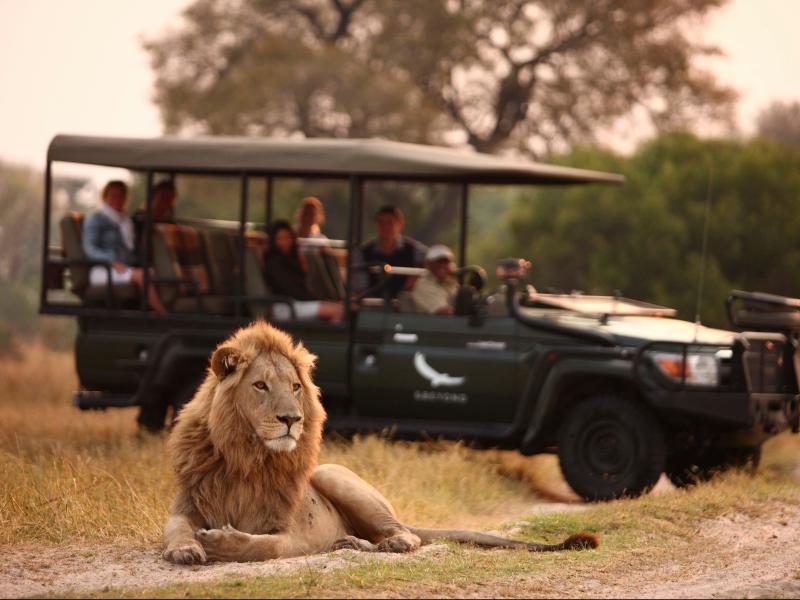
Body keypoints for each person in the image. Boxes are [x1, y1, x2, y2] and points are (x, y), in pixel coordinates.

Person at [82, 180, 167, 314]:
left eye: (121, 196)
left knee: (154, 272)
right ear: (105, 197)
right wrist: (111, 261)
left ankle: (156, 310)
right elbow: (90, 249)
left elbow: (131, 251)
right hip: (103, 269)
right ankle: (164, 315)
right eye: (113, 195)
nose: (118, 199)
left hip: (125, 267)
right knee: (142, 275)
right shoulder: (95, 219)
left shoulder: (125, 221)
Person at [264, 220, 343, 321]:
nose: (284, 242)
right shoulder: (273, 262)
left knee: (340, 307)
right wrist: (316, 301)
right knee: (338, 310)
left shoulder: (292, 258)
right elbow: (290, 289)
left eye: (287, 238)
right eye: (280, 239)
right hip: (285, 305)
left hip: (297, 302)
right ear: (273, 241)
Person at [357, 205, 427, 299]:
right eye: (381, 223)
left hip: (406, 307)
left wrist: (416, 277)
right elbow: (360, 286)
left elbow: (432, 262)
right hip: (371, 307)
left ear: (401, 224)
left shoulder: (415, 250)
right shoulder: (363, 252)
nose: (385, 227)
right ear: (376, 225)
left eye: (390, 222)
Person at [133, 179, 177, 259]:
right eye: (163, 196)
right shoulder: (139, 219)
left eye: (170, 197)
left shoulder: (170, 222)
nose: (166, 200)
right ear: (154, 196)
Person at [411, 245, 459, 315]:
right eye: (438, 262)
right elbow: (444, 313)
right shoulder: (423, 286)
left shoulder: (451, 283)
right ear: (427, 264)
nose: (442, 265)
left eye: (445, 262)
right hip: (428, 325)